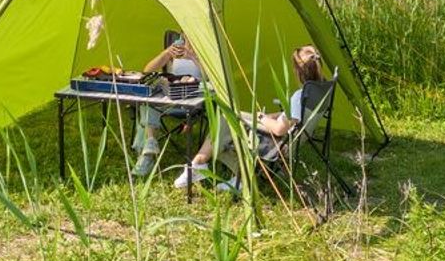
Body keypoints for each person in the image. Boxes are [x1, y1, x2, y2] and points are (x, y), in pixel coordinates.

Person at [202, 44, 324, 194]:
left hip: (278, 142)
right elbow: (295, 117)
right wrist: (273, 116)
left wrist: (261, 117)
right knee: (232, 114)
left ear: (297, 71)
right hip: (296, 138)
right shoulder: (321, 89)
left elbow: (279, 130)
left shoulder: (300, 96)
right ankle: (229, 173)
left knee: (225, 122)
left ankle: (209, 166)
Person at [130, 30, 202, 177]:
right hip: (172, 96)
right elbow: (146, 71)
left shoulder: (205, 49)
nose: (186, 37)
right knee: (148, 99)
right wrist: (166, 54)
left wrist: (193, 58)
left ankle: (146, 154)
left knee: (149, 105)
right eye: (184, 33)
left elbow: (211, 78)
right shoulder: (176, 50)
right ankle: (150, 144)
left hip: (194, 100)